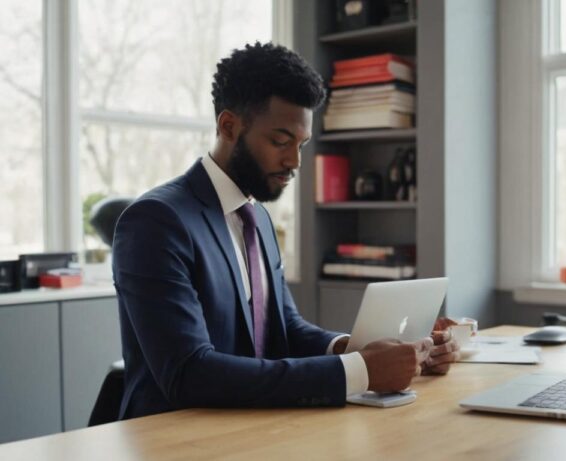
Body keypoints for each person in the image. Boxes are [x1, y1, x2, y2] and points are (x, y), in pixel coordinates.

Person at [112, 42, 460, 420]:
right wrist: (360, 371)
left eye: (301, 144)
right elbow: (189, 374)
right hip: (172, 439)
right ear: (228, 126)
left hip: (253, 427)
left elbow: (285, 330)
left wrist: (365, 351)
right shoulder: (155, 222)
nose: (294, 161)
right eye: (279, 141)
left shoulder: (256, 217)